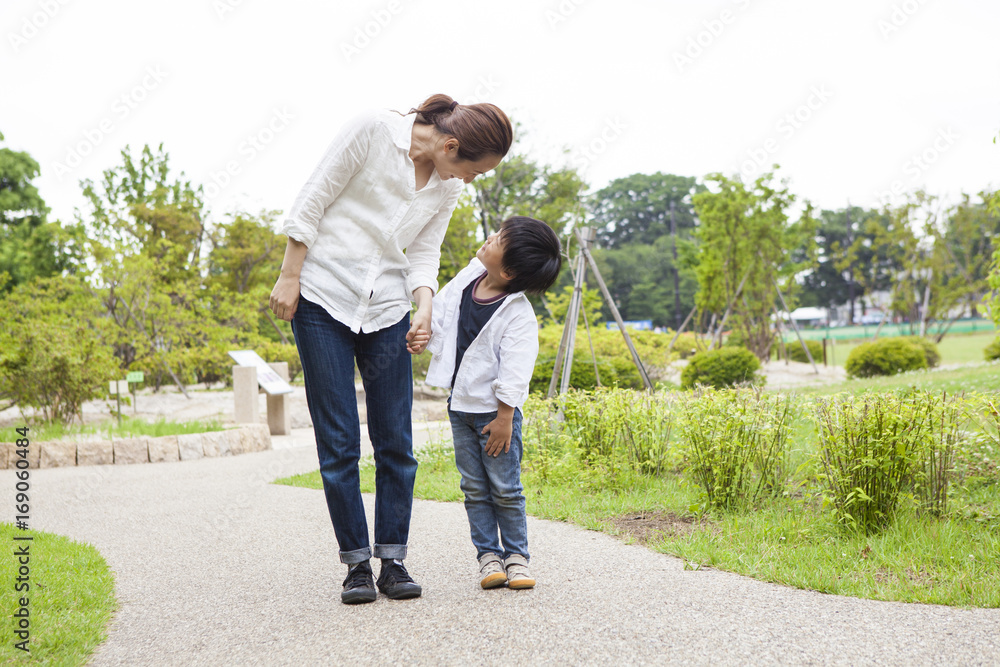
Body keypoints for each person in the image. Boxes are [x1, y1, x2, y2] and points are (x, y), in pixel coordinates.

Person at [269, 94, 512, 605]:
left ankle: (393, 559)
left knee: (396, 441)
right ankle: (356, 565)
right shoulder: (372, 131)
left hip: (386, 310)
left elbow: (424, 253)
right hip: (321, 299)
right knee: (339, 441)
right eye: (475, 170)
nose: (471, 181)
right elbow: (312, 200)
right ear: (450, 145)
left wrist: (423, 305)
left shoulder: (446, 189)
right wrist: (290, 276)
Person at [413, 216, 561, 590]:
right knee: (474, 488)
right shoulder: (471, 278)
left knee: (505, 488)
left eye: (498, 240)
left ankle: (517, 558)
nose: (490, 239)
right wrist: (424, 330)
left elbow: (516, 367)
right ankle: (488, 557)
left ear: (508, 271)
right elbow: (443, 310)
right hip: (460, 407)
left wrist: (505, 416)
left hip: (496, 416)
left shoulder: (518, 313)